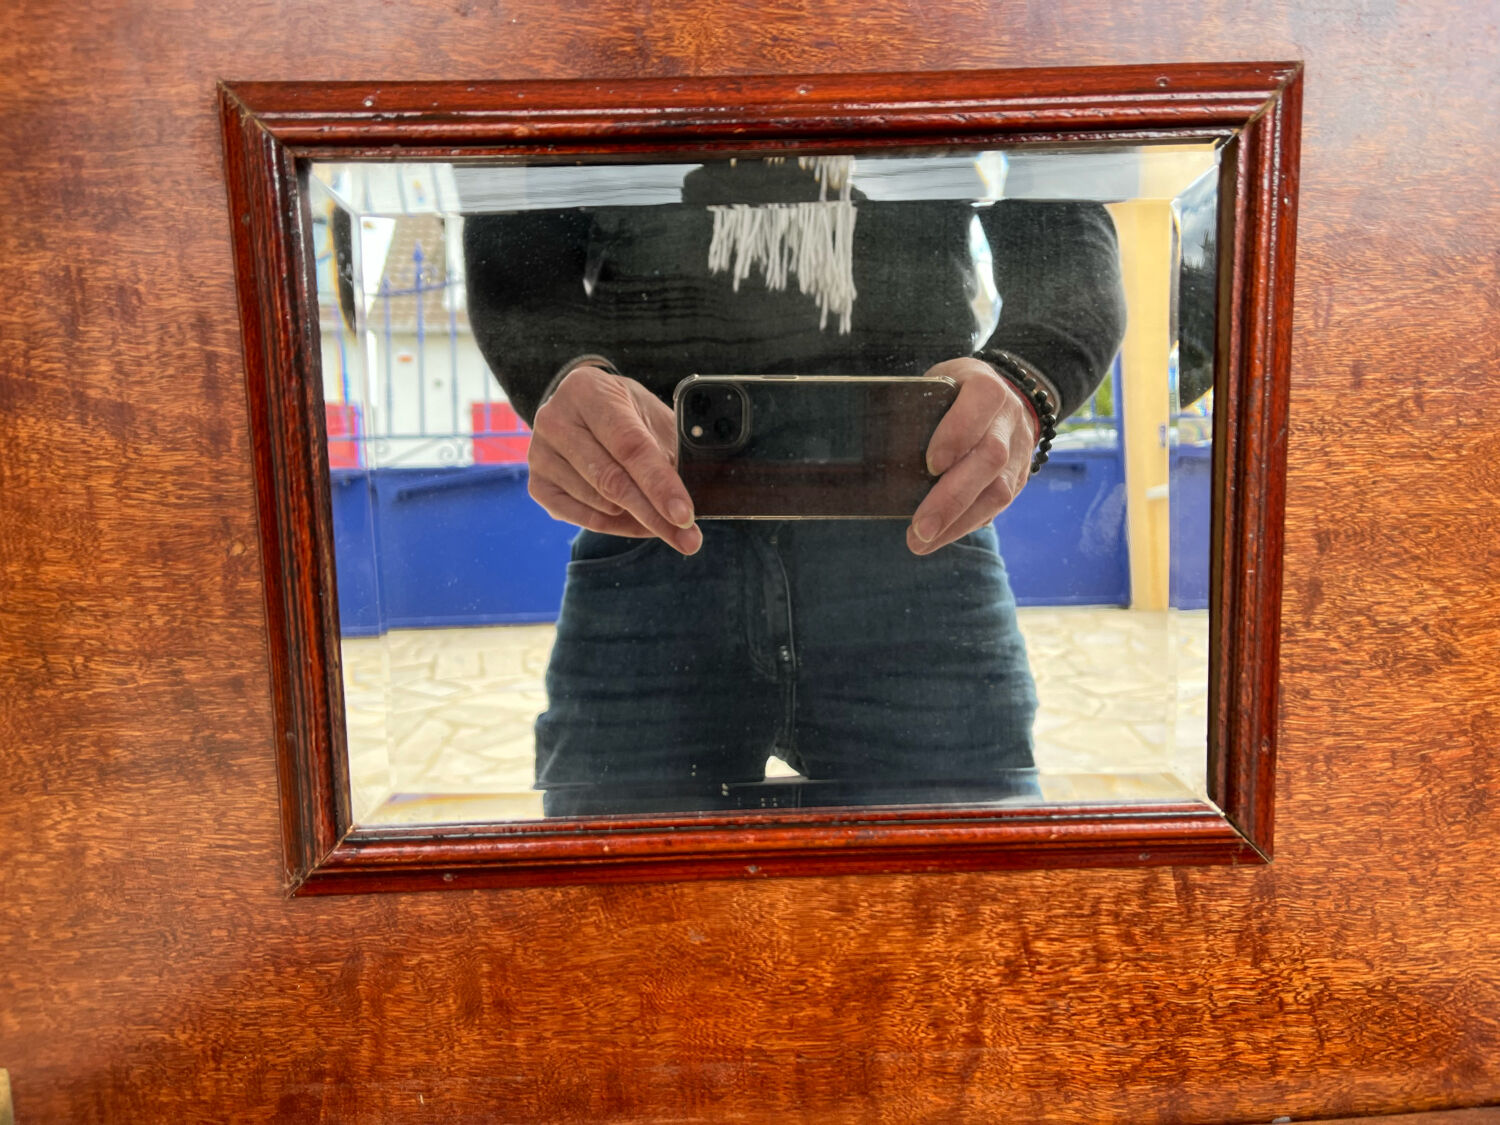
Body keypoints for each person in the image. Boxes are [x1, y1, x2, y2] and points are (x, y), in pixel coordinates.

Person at [464, 156, 1126, 816]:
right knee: (967, 870)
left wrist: (562, 372)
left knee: (612, 873)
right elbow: (1062, 201)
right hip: (884, 508)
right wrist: (1026, 376)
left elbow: (514, 217)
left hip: (677, 508)